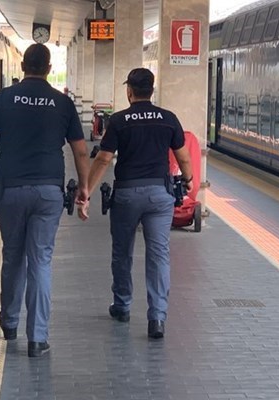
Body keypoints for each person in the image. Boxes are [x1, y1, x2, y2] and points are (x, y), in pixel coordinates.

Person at [0, 44, 90, 357]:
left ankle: (10, 323)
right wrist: (84, 188)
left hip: (10, 189)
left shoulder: (5, 98)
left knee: (13, 255)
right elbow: (80, 150)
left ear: (23, 66)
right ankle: (37, 338)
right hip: (49, 191)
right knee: (40, 260)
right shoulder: (62, 103)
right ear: (49, 69)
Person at [78, 68, 192, 339]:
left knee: (122, 251)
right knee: (159, 254)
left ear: (129, 91)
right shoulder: (168, 118)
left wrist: (86, 192)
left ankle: (122, 305)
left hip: (127, 194)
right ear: (152, 90)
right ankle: (157, 318)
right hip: (159, 195)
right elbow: (184, 157)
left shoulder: (120, 120)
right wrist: (188, 181)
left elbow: (103, 159)